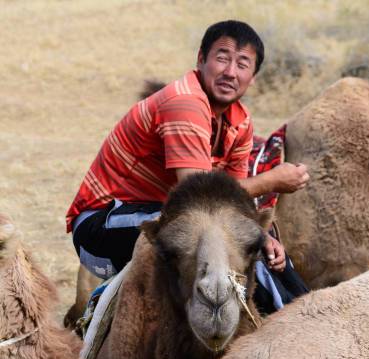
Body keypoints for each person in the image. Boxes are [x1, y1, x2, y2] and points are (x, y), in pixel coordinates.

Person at [66, 20, 309, 291]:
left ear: (252, 78)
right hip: (101, 224)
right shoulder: (185, 102)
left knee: (258, 249)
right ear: (201, 60)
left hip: (169, 212)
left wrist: (261, 236)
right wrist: (272, 180)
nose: (230, 72)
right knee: (208, 233)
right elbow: (199, 194)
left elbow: (230, 198)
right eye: (222, 58)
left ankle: (303, 314)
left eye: (242, 64)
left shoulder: (240, 121)